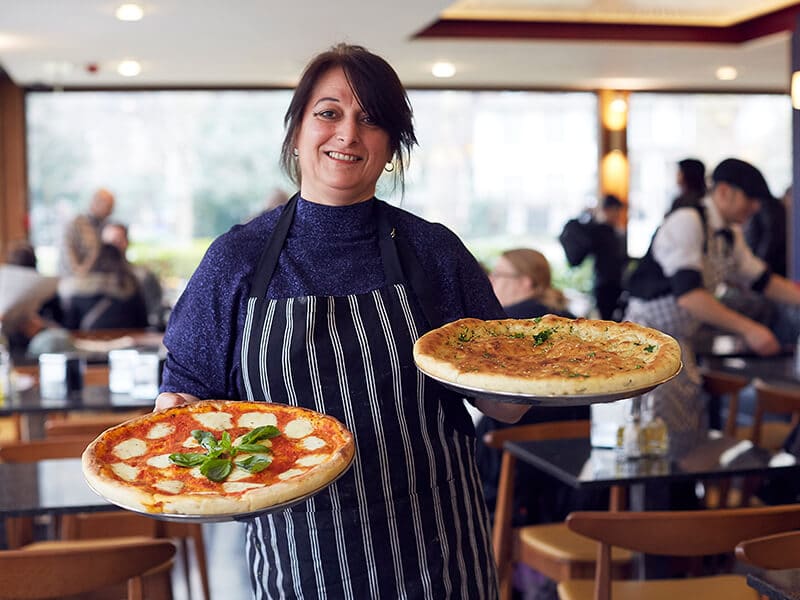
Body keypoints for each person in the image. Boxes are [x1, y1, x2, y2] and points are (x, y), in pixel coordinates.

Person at [156, 43, 529, 599]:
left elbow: (506, 400)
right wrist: (181, 430)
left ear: (392, 146)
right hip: (300, 551)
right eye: (329, 112)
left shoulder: (435, 251)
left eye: (371, 119)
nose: (348, 134)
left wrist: (543, 378)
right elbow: (184, 396)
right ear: (297, 129)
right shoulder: (236, 259)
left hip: (437, 549)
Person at [625, 157, 800, 454]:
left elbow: (763, 281)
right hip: (646, 345)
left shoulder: (729, 235)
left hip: (679, 345)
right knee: (654, 440)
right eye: (750, 198)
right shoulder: (687, 221)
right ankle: (656, 499)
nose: (755, 208)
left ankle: (682, 496)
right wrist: (750, 330)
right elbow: (689, 296)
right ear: (724, 191)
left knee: (681, 433)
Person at [558, 194, 629, 320]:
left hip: (616, 282)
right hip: (604, 283)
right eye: (615, 211)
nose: (617, 215)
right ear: (607, 210)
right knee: (607, 319)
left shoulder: (614, 230)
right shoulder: (598, 230)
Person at [58, 243, 148, 330]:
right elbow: (142, 323)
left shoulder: (76, 289)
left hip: (88, 342)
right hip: (129, 341)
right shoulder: (131, 287)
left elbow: (70, 327)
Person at [101, 222, 166, 329]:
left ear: (126, 242)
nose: (112, 247)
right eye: (108, 242)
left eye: (117, 240)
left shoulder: (143, 276)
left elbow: (154, 314)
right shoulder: (89, 279)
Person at [488, 248, 575, 319]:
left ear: (525, 282)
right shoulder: (567, 317)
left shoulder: (504, 321)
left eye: (497, 274)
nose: (490, 279)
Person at [59, 188, 115, 276]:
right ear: (95, 203)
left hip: (100, 281)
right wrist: (81, 275)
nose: (111, 211)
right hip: (75, 280)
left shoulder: (109, 227)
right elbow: (68, 257)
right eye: (108, 206)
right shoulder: (75, 224)